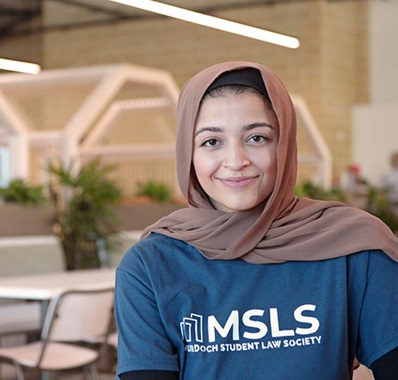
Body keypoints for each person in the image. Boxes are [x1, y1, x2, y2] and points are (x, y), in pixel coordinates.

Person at [114, 61, 398, 379]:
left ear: (285, 144)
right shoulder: (152, 265)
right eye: (211, 141)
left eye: (257, 138)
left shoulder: (354, 245)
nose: (236, 161)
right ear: (188, 154)